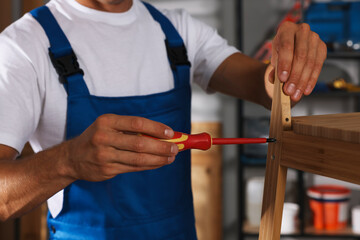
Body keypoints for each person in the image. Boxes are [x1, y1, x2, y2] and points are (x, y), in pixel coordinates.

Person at [0, 0, 326, 239]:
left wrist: (289, 67)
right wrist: (67, 161)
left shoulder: (177, 29)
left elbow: (263, 84)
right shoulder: (23, 46)